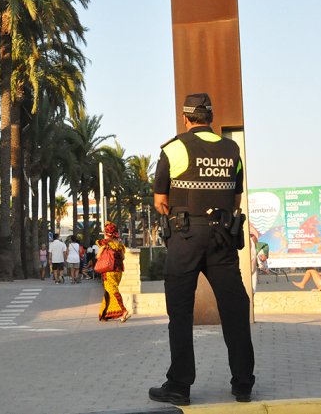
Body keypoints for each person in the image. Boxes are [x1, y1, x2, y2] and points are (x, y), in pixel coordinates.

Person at [149, 93, 254, 406]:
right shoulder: (231, 149)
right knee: (234, 310)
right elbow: (235, 200)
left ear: (186, 118)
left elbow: (160, 201)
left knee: (180, 312)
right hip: (222, 237)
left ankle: (179, 386)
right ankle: (243, 385)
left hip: (185, 237)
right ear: (211, 116)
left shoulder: (174, 148)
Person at [97, 222, 130, 322]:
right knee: (109, 291)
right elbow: (123, 257)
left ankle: (123, 311)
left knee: (112, 290)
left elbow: (98, 256)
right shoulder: (120, 244)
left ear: (107, 233)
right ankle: (105, 314)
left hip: (108, 271)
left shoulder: (105, 243)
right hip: (118, 271)